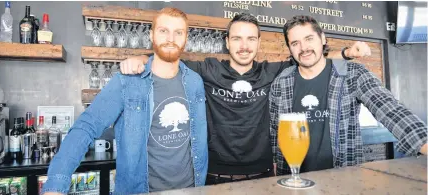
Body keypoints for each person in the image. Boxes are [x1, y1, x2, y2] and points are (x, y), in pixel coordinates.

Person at [120, 13, 371, 185]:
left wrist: (346, 52)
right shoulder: (209, 69)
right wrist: (141, 60)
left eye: (251, 38)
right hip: (215, 176)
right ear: (227, 43)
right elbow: (169, 61)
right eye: (237, 38)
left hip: (263, 175)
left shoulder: (272, 71)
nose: (244, 45)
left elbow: (309, 57)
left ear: (258, 43)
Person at [41, 7, 208, 195]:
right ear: (152, 35)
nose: (171, 38)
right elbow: (86, 127)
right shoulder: (127, 82)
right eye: (163, 31)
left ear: (186, 38)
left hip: (191, 189)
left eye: (178, 32)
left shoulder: (195, 82)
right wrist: (55, 186)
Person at [269, 15, 427, 176]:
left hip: (344, 178)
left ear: (322, 38)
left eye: (309, 38)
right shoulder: (281, 82)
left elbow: (389, 109)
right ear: (289, 47)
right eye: (295, 43)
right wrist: (275, 161)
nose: (303, 48)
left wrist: (424, 142)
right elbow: (275, 130)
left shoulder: (352, 74)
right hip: (293, 179)